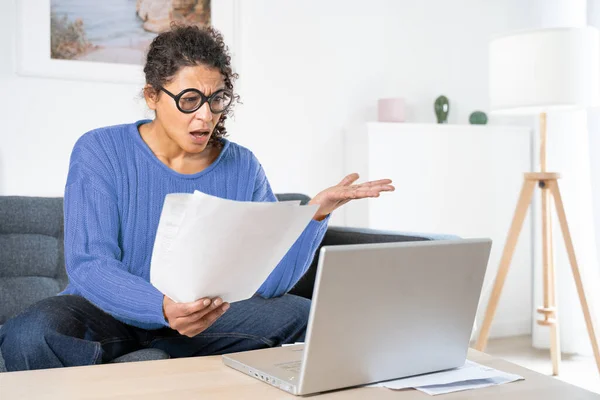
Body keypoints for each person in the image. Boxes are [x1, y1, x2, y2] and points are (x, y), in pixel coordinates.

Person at [0, 25, 394, 371]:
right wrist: (162, 308)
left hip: (204, 314)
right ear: (152, 95)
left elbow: (269, 283)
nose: (205, 117)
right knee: (30, 334)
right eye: (189, 100)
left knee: (315, 318)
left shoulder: (243, 166)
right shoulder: (100, 150)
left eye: (216, 99)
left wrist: (315, 216)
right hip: (105, 312)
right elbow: (90, 263)